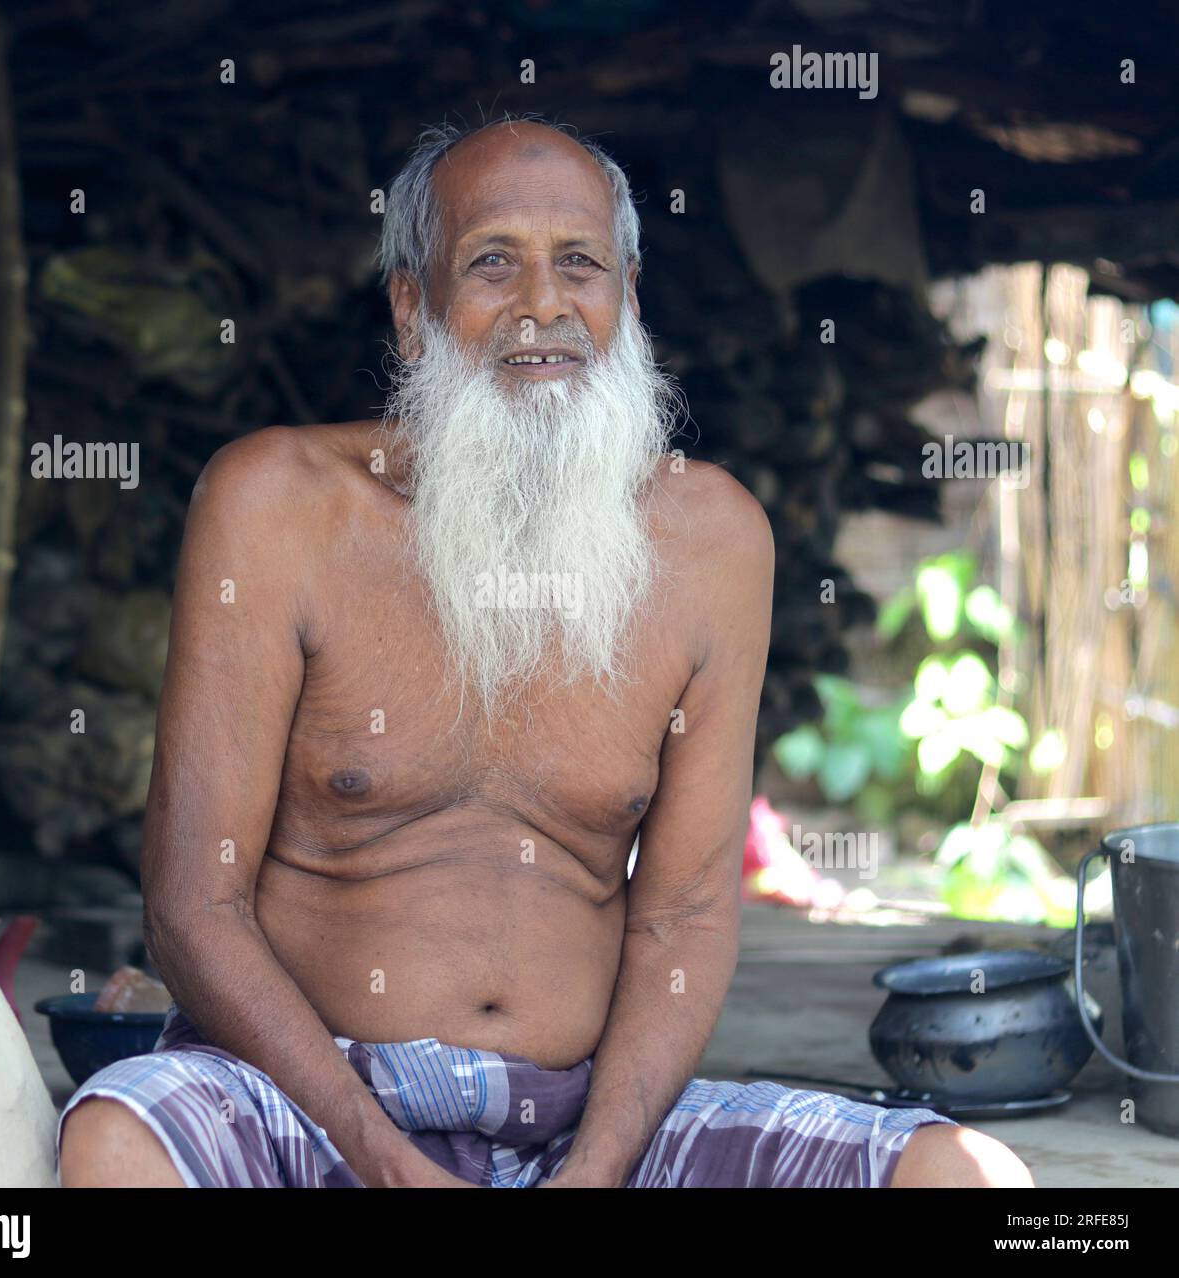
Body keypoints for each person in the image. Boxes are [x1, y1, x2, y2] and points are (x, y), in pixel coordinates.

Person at [58, 114, 1032, 1188]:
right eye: (490, 263)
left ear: (628, 298)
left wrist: (598, 1169)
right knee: (115, 1142)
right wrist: (382, 1163)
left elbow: (686, 914)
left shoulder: (710, 540)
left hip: (581, 1127)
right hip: (300, 1105)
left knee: (960, 1174)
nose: (542, 304)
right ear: (412, 309)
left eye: (580, 263)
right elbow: (196, 904)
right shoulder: (278, 507)